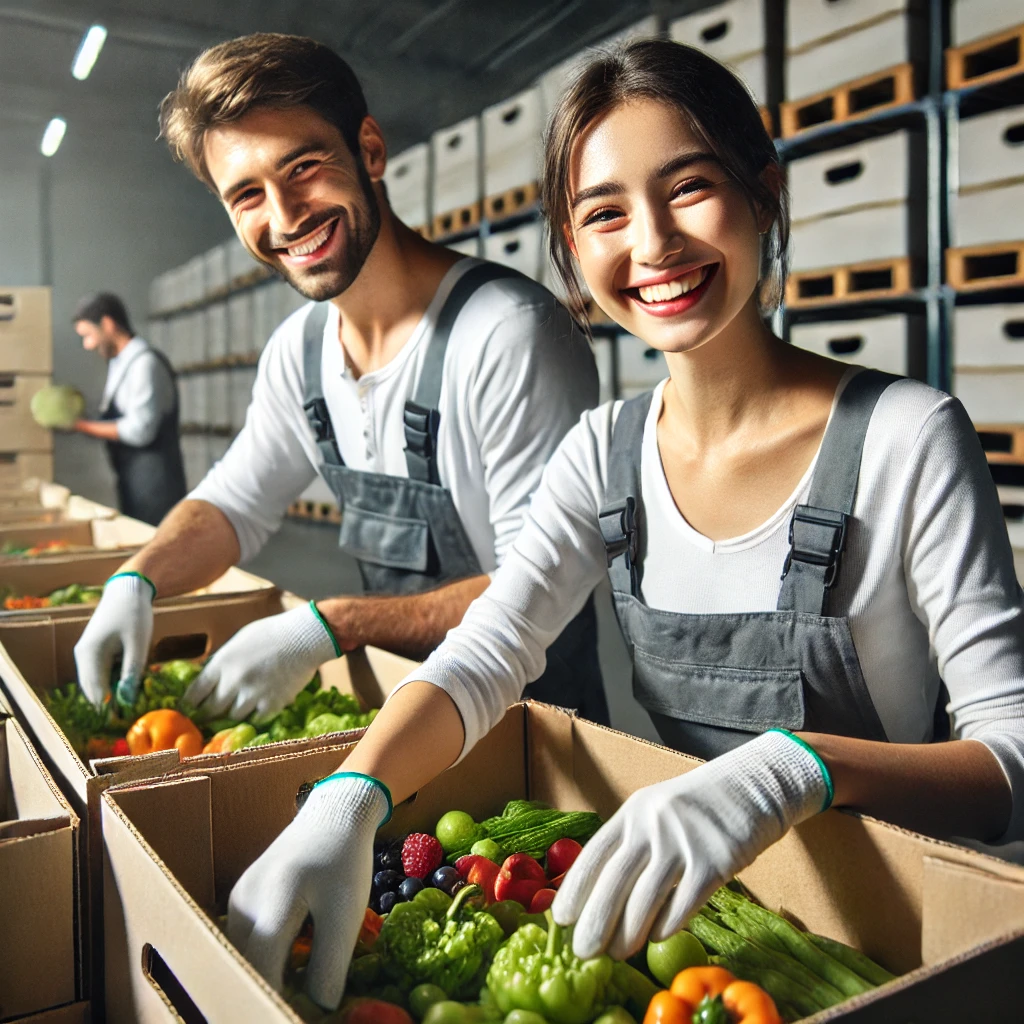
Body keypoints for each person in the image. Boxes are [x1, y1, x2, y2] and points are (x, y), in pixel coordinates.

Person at [223, 39, 1024, 1009]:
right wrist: (351, 794)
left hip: (886, 946)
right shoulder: (601, 451)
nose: (651, 245)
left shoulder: (905, 437)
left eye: (686, 189)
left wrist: (789, 771)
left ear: (763, 193)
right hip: (708, 936)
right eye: (604, 213)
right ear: (572, 247)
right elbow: (486, 655)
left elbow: (1009, 759)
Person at [72, 34, 608, 726]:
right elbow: (234, 503)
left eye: (303, 167)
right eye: (247, 196)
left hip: (534, 730)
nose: (285, 216)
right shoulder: (300, 350)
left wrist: (333, 623)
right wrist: (137, 578)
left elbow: (542, 587)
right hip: (406, 720)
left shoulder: (507, 333)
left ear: (370, 150)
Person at [72, 292, 187, 527]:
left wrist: (81, 425)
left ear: (108, 324)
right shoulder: (119, 362)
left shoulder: (145, 364)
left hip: (157, 488)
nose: (88, 345)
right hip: (132, 482)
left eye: (88, 335)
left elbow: (140, 430)